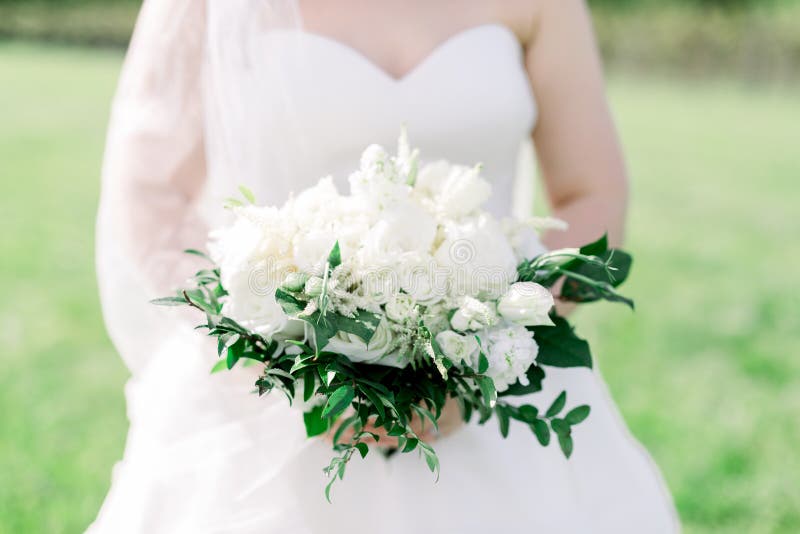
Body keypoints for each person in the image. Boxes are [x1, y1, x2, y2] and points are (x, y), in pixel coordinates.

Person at [90, 1, 679, 532]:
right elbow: (149, 195)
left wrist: (486, 355)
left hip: (496, 389)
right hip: (262, 396)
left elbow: (591, 194)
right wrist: (277, 365)